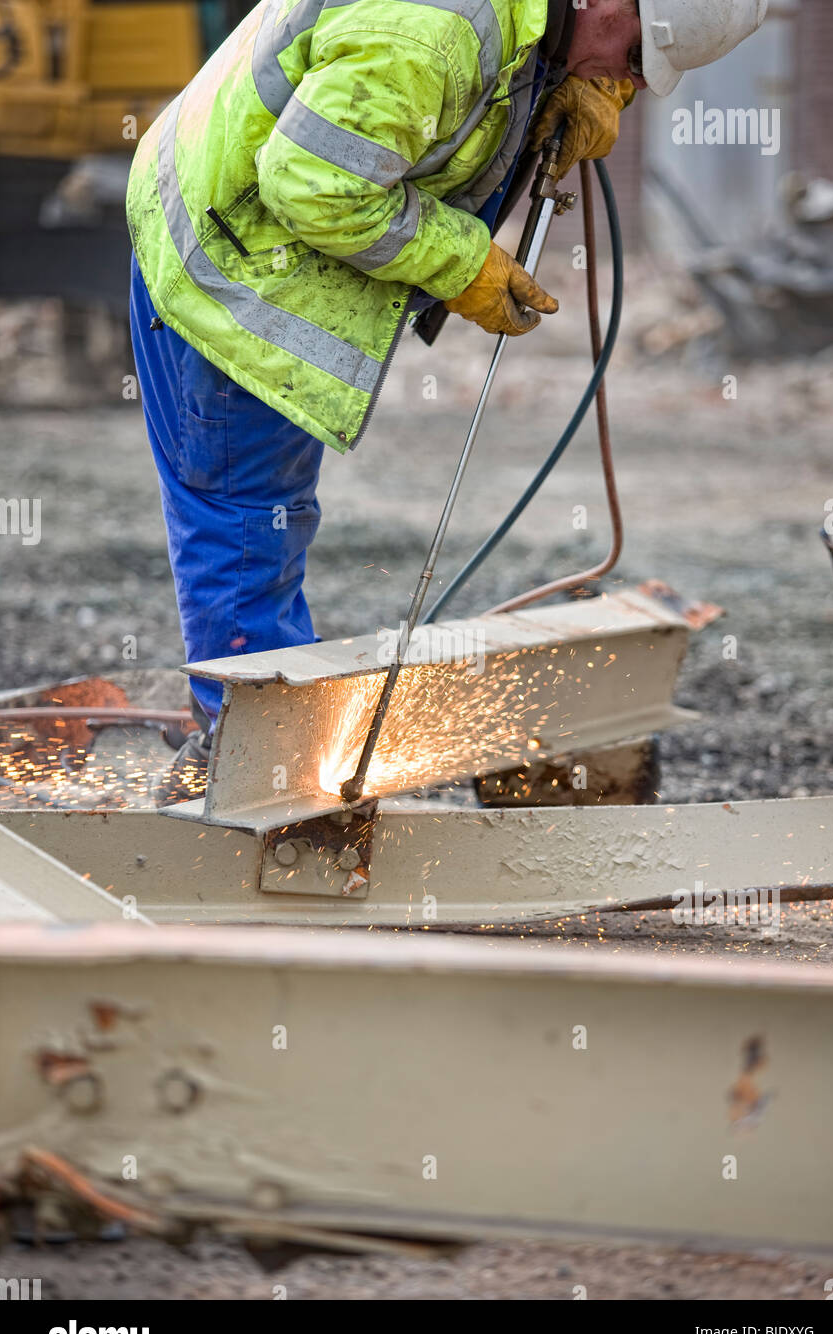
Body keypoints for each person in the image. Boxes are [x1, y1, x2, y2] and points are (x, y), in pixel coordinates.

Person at [126, 0, 767, 803]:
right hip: (231, 261)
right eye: (634, 57)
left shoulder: (540, 24)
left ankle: (260, 753)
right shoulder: (432, 26)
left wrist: (565, 88)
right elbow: (315, 184)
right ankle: (254, 777)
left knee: (269, 518)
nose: (628, 79)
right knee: (243, 518)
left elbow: (468, 102)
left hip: (254, 224)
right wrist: (464, 265)